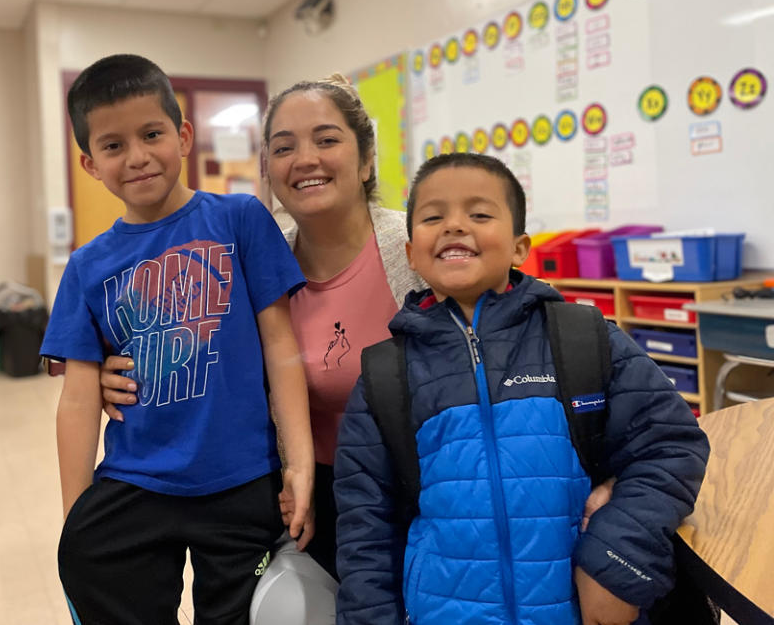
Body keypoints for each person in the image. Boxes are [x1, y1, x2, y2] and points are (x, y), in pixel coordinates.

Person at [99, 76, 618, 592]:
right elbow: (189, 340)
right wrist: (121, 372)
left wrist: (617, 465)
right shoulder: (252, 256)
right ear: (268, 173)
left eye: (327, 140)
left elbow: (538, 331)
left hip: (433, 490)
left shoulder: (415, 248)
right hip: (306, 498)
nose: (305, 159)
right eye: (284, 147)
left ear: (366, 160)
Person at [333, 152, 711, 625]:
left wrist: (617, 558)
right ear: (411, 253)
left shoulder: (582, 338)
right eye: (433, 216)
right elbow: (364, 530)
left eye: (479, 213)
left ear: (518, 247)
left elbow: (671, 445)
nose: (454, 225)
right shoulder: (385, 376)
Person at [41, 53, 314, 625]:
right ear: (90, 164)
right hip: (137, 480)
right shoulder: (87, 266)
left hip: (242, 479)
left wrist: (299, 463)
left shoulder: (240, 219)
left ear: (183, 135)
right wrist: (77, 517)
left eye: (151, 134)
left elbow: (281, 349)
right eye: (113, 146)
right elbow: (78, 398)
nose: (137, 157)